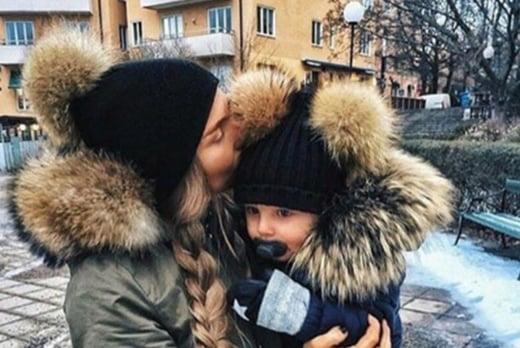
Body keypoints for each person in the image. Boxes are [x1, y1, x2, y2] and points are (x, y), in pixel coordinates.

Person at [8, 27, 388, 348]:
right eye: (217, 133)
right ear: (179, 168)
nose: (239, 132)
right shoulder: (107, 294)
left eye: (230, 111)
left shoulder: (232, 209)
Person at [226, 68, 455, 347]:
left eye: (284, 213)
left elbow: (375, 322)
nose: (262, 228)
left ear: (327, 212)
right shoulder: (259, 251)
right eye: (252, 210)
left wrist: (299, 312)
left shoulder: (361, 255)